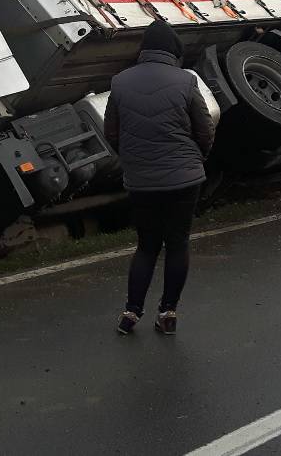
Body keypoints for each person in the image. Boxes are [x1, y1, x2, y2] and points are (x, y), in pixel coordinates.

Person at [103, 19, 214, 336]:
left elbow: (112, 131)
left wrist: (133, 160)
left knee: (147, 246)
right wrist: (196, 158)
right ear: (173, 50)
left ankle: (131, 312)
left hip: (142, 180)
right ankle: (167, 313)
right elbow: (204, 129)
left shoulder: (120, 82)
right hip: (184, 178)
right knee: (177, 244)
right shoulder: (185, 81)